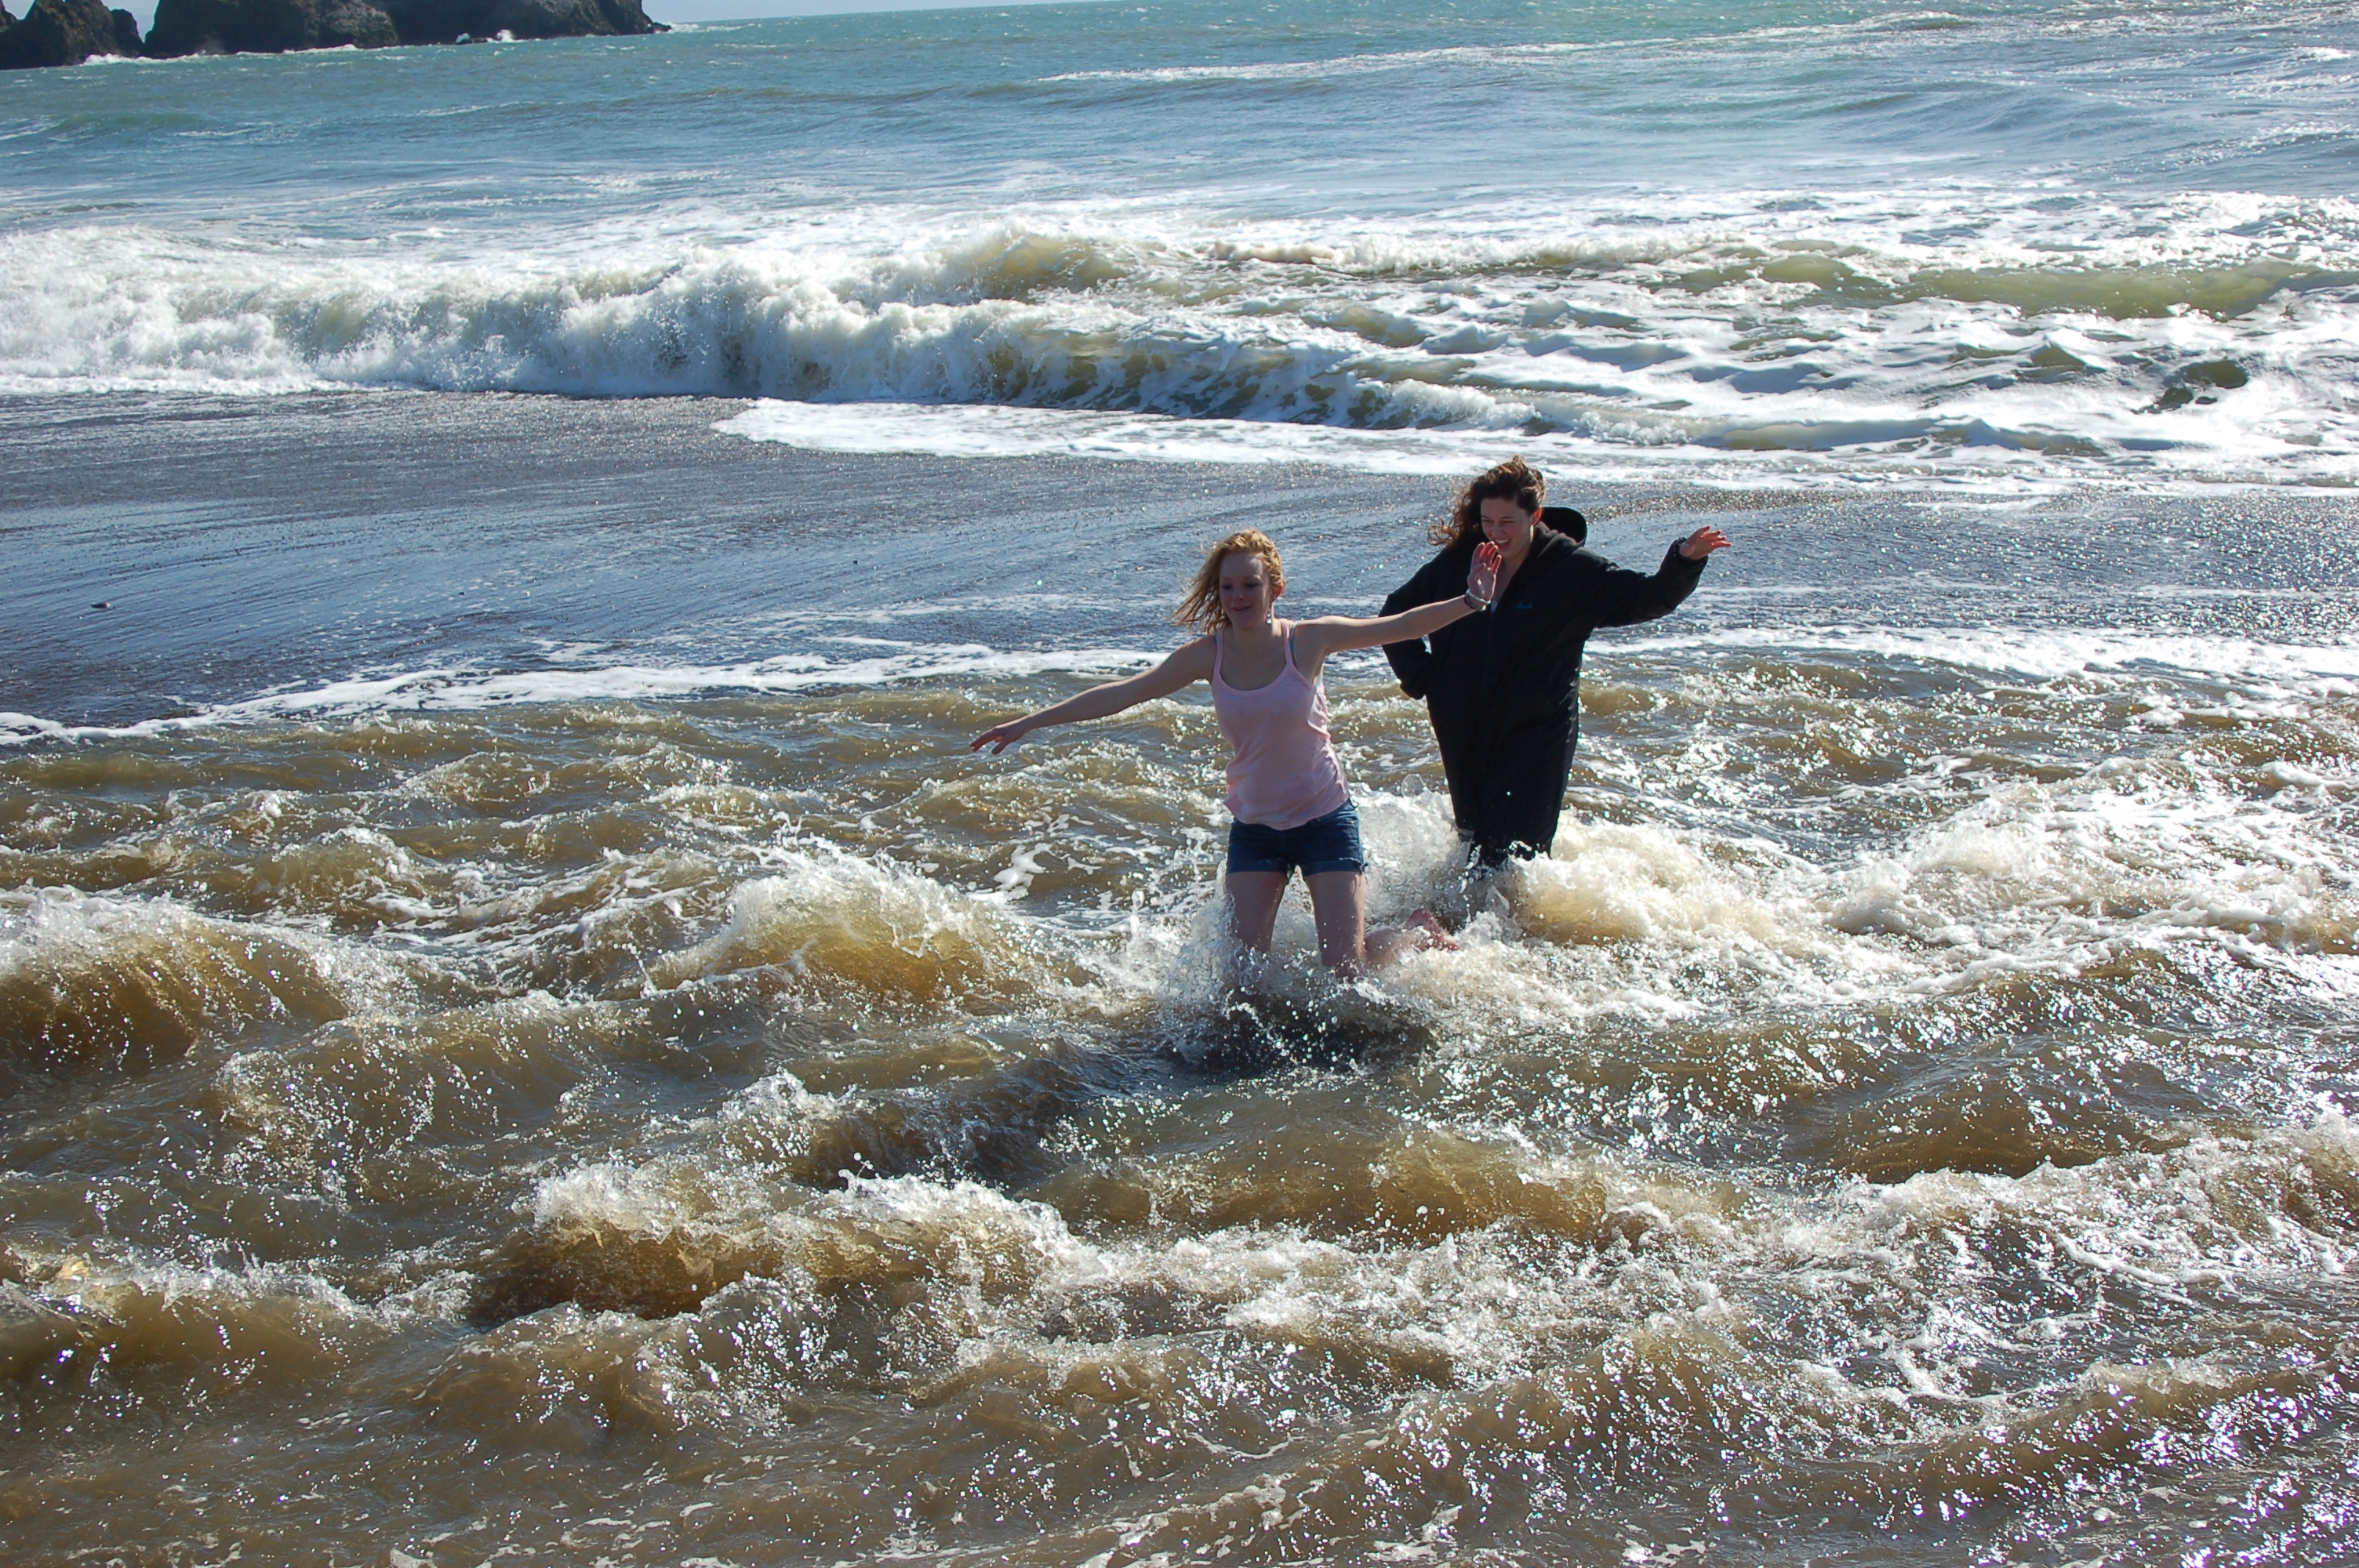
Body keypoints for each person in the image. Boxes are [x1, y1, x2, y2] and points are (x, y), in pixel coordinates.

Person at [973, 529, 1501, 976]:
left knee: (1347, 969)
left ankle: (1415, 931)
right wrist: (1030, 722)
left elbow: (1399, 627)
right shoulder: (1209, 655)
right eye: (1227, 587)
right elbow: (1124, 693)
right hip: (1256, 826)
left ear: (1275, 589)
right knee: (1242, 979)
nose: (1238, 597)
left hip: (1324, 817)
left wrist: (1471, 601)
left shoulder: (1308, 641)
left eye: (1250, 584)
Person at [1380, 457, 1729, 875]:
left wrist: (1685, 561)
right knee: (1472, 841)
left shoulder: (1571, 570)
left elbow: (1648, 598)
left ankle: (1519, 918)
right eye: (1487, 521)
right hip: (1464, 725)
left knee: (1515, 859)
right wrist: (1429, 681)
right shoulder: (1460, 562)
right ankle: (1459, 916)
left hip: (1538, 731)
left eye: (1507, 522)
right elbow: (1396, 615)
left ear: (1535, 516)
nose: (1495, 533)